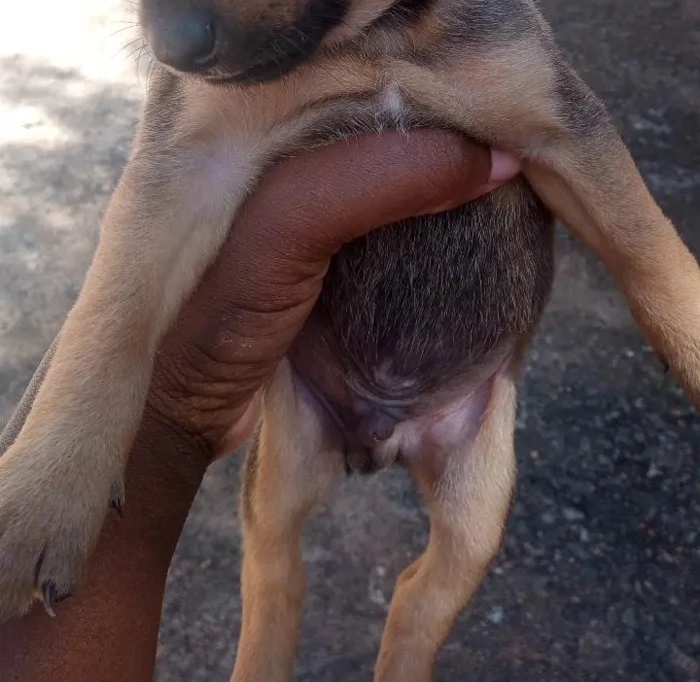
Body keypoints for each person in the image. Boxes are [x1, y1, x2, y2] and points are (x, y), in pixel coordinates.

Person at [0, 130, 520, 682]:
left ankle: (406, 652)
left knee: (460, 554)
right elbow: (175, 166)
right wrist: (168, 408)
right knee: (270, 556)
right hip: (313, 386)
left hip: (462, 392)